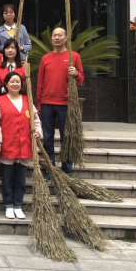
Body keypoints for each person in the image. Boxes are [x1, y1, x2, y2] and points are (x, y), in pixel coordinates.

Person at [0, 71, 42, 219]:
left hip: (24, 146)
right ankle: (8, 205)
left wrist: (37, 132)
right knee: (7, 178)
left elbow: (36, 120)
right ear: (6, 84)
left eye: (18, 82)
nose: (15, 84)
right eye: (12, 82)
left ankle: (17, 205)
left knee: (20, 179)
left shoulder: (27, 100)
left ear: (22, 84)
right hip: (7, 145)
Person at [36, 27, 84, 178]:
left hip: (66, 103)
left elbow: (81, 79)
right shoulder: (45, 58)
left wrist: (76, 74)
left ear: (66, 38)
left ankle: (66, 171)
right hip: (47, 103)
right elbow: (40, 82)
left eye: (60, 35)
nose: (57, 38)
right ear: (51, 38)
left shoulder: (73, 56)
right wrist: (38, 104)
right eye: (54, 35)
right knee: (47, 139)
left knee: (67, 138)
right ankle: (50, 169)